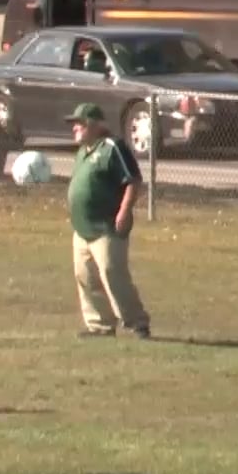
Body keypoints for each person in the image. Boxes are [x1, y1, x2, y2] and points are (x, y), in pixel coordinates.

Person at [66, 102, 151, 339]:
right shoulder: (84, 151)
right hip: (82, 228)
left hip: (106, 227)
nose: (74, 128)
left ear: (94, 125)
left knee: (112, 274)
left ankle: (137, 322)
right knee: (85, 276)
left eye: (79, 124)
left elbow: (133, 181)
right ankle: (100, 325)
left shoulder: (113, 147)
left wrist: (124, 211)